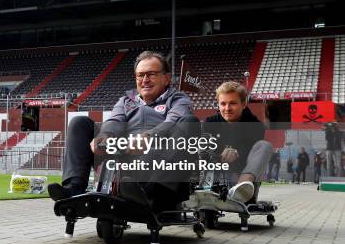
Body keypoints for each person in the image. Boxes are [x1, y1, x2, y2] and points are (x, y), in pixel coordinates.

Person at [48, 51, 198, 211]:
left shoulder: (179, 99)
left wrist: (149, 136)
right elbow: (114, 121)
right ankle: (74, 189)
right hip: (125, 160)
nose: (145, 80)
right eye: (140, 75)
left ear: (166, 78)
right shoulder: (126, 100)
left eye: (151, 74)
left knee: (190, 122)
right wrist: (103, 136)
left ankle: (151, 195)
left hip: (158, 165)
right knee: (80, 123)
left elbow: (172, 122)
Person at [202, 81, 272, 204]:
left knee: (265, 146)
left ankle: (240, 190)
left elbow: (250, 154)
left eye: (232, 103)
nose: (227, 108)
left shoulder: (256, 126)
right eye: (223, 104)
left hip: (243, 182)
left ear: (244, 103)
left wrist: (237, 152)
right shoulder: (209, 123)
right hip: (215, 179)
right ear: (218, 104)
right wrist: (219, 152)